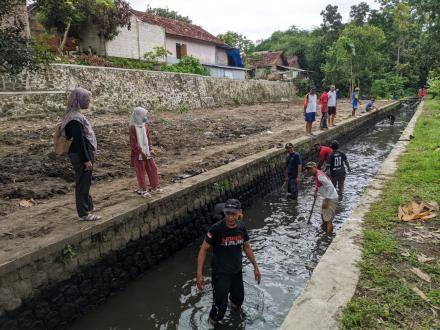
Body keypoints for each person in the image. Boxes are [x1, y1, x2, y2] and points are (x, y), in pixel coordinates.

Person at [196, 199, 261, 325]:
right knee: (220, 308)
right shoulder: (216, 229)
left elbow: (247, 247)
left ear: (240, 213)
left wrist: (256, 267)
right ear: (224, 213)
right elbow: (203, 249)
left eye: (234, 214)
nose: (230, 218)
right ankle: (212, 322)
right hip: (220, 274)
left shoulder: (241, 227)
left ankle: (236, 321)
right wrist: (199, 273)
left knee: (238, 301)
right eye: (227, 214)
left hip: (236, 272)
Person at [61, 87, 100, 221]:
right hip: (81, 154)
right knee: (83, 183)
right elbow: (79, 141)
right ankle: (84, 213)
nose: (89, 101)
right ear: (80, 100)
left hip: (82, 153)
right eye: (87, 99)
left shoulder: (74, 115)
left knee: (85, 182)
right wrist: (86, 159)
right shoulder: (75, 118)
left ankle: (88, 206)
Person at [129, 106, 162, 197]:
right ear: (138, 116)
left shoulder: (145, 126)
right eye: (143, 115)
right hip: (138, 154)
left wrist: (151, 149)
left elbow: (148, 139)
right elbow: (133, 143)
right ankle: (143, 190)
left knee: (153, 168)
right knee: (141, 172)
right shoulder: (132, 128)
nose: (145, 117)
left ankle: (154, 187)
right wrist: (140, 152)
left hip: (147, 151)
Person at [305, 162, 339, 235]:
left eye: (311, 168)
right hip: (328, 197)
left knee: (328, 219)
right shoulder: (317, 174)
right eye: (308, 169)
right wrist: (316, 192)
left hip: (331, 198)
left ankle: (328, 237)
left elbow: (330, 186)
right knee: (323, 216)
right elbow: (319, 184)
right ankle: (324, 232)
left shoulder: (320, 176)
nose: (309, 170)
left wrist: (326, 200)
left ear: (315, 167)